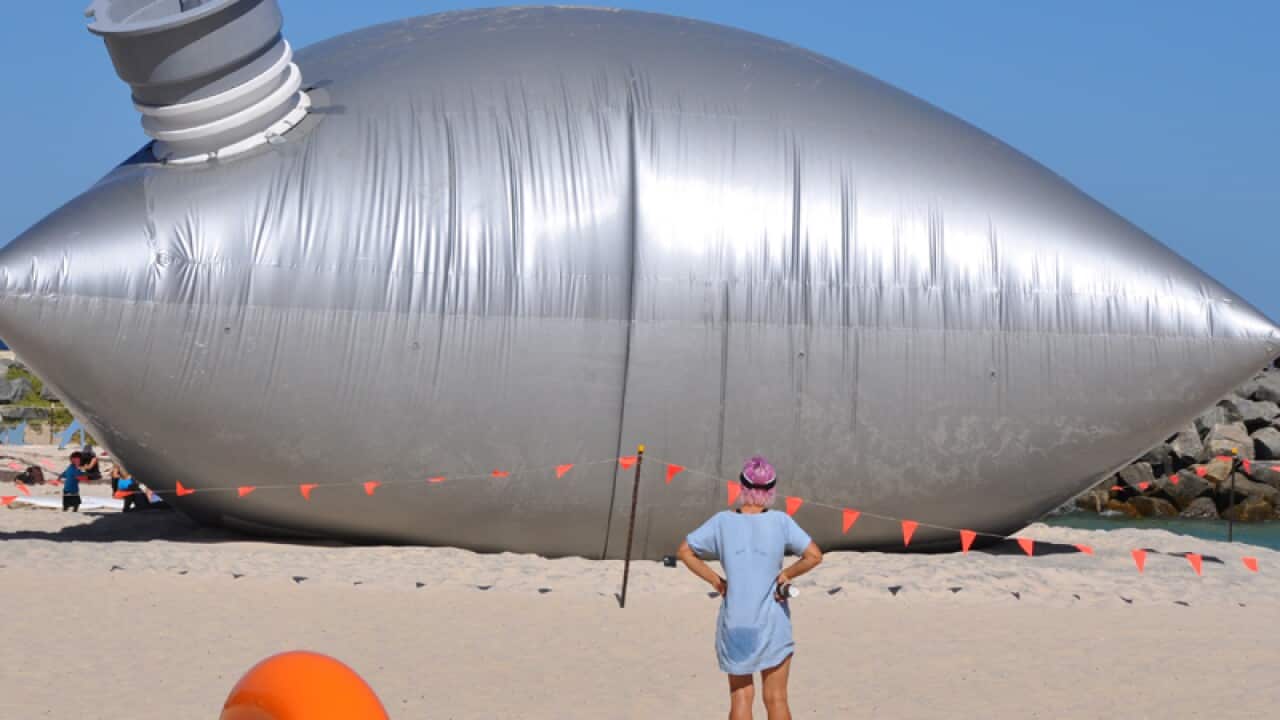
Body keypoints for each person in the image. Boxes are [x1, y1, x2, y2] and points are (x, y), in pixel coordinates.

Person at [677, 456, 823, 720]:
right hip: (773, 621)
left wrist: (716, 581)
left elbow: (685, 551)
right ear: (772, 489)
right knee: (776, 698)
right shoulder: (781, 521)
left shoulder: (721, 521)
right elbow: (814, 555)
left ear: (741, 486)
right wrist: (786, 574)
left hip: (736, 622)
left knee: (741, 697)